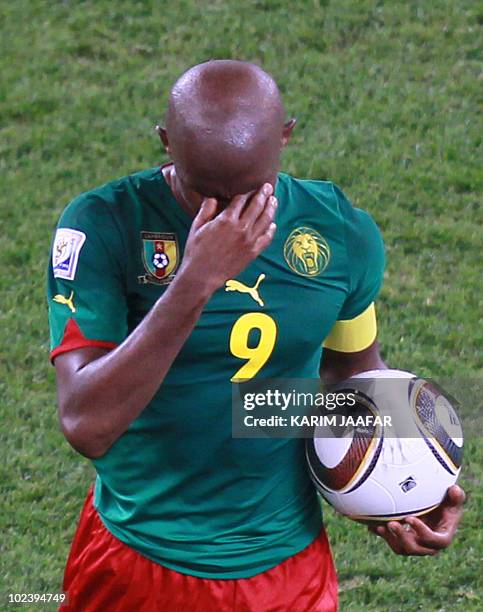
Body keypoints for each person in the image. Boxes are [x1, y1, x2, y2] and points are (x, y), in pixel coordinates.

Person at [47, 60, 464, 612]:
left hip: (289, 573)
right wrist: (195, 281)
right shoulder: (101, 225)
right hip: (139, 562)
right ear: (167, 143)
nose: (227, 213)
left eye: (250, 190)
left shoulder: (339, 234)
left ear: (285, 136)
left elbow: (353, 374)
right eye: (204, 193)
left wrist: (404, 489)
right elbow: (86, 424)